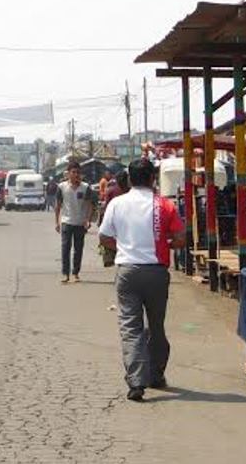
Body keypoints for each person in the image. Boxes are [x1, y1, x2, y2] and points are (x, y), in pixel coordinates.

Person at [99, 159, 186, 402]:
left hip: (127, 272)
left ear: (129, 179)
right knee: (156, 326)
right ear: (152, 178)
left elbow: (104, 236)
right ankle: (155, 374)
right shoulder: (165, 205)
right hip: (157, 272)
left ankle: (136, 382)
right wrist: (165, 244)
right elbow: (180, 238)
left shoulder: (117, 203)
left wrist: (122, 247)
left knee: (131, 327)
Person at [55, 161, 93, 284]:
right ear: (68, 174)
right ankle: (65, 274)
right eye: (73, 172)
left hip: (80, 223)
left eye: (78, 172)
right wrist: (57, 222)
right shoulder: (62, 187)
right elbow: (58, 205)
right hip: (66, 222)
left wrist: (88, 219)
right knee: (65, 248)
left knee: (78, 249)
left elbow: (90, 205)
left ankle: (75, 273)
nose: (76, 175)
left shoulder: (85, 187)